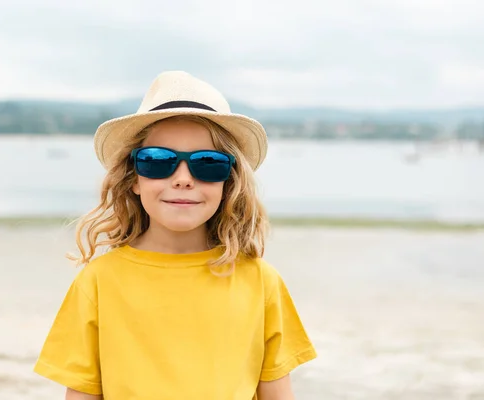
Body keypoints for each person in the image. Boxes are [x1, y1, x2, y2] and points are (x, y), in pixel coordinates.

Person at [33, 71, 317, 399]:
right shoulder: (98, 282)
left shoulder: (262, 283)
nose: (182, 178)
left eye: (207, 163)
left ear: (229, 183)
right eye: (158, 161)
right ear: (134, 179)